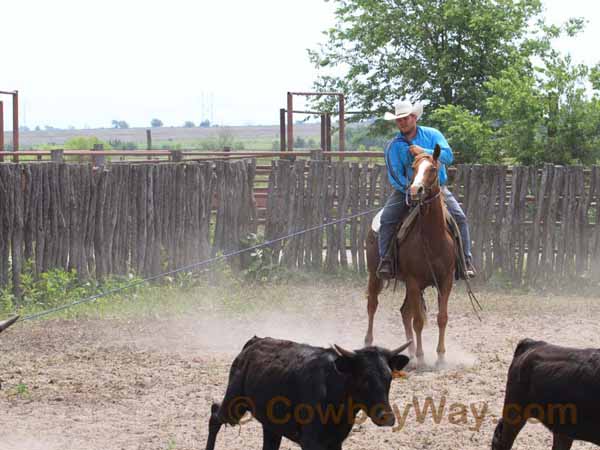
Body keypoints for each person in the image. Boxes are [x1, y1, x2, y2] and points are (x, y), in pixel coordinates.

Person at [377, 99, 476, 280]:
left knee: (460, 218)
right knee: (387, 219)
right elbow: (395, 173)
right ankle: (386, 260)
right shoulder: (393, 146)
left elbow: (448, 156)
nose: (402, 122)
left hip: (436, 189)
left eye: (406, 118)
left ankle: (465, 261)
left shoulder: (432, 135)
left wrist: (424, 150)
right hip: (406, 191)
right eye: (399, 120)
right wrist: (411, 189)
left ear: (414, 117)